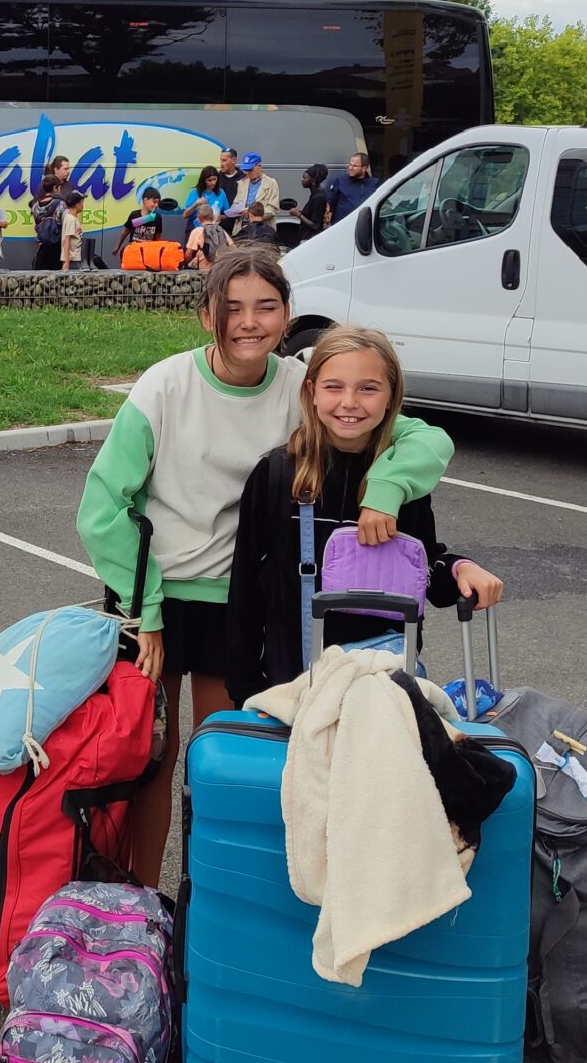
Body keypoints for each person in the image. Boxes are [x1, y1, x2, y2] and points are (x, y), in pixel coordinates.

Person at [75, 246, 454, 889]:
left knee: (224, 761)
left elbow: (422, 438)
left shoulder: (302, 385)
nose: (249, 322)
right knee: (152, 764)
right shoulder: (165, 387)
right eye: (232, 307)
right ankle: (140, 904)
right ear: (206, 316)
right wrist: (147, 612)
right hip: (157, 597)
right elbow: (101, 509)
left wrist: (386, 489)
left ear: (286, 317)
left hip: (243, 603)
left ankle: (212, 899)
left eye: (266, 307)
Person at [225, 326, 503, 706]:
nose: (350, 402)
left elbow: (421, 565)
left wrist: (458, 569)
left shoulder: (402, 479)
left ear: (391, 398)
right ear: (312, 392)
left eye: (369, 388)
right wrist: (245, 688)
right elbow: (245, 590)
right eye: (334, 387)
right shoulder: (278, 475)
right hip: (292, 688)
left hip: (383, 691)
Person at [325, 152, 379, 222]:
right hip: (342, 225)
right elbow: (330, 203)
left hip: (363, 226)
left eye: (355, 166)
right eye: (350, 165)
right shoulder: (340, 181)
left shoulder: (374, 183)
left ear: (364, 168)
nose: (350, 168)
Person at [118, 186, 165, 256]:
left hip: (148, 253)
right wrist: (118, 246)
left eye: (158, 203)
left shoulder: (157, 217)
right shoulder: (134, 215)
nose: (156, 205)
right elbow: (126, 231)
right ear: (145, 200)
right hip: (134, 252)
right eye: (154, 202)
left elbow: (158, 236)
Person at [31, 174, 64, 271]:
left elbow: (37, 225)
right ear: (55, 188)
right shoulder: (60, 204)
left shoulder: (36, 206)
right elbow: (62, 223)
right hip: (58, 247)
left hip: (43, 246)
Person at [184, 202, 229, 269]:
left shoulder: (197, 231)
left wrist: (187, 265)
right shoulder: (220, 230)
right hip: (219, 270)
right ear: (213, 217)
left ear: (198, 219)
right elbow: (233, 248)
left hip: (203, 270)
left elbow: (188, 254)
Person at [237, 154, 279, 222]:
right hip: (243, 225)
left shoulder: (271, 183)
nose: (248, 173)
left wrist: (252, 214)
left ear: (259, 166)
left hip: (262, 226)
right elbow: (236, 203)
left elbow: (273, 209)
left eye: (250, 169)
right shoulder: (242, 183)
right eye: (246, 170)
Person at [60, 190, 86, 271]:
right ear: (77, 204)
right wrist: (67, 262)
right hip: (73, 259)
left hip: (75, 257)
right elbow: (67, 240)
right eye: (81, 203)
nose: (83, 205)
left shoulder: (72, 218)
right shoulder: (71, 219)